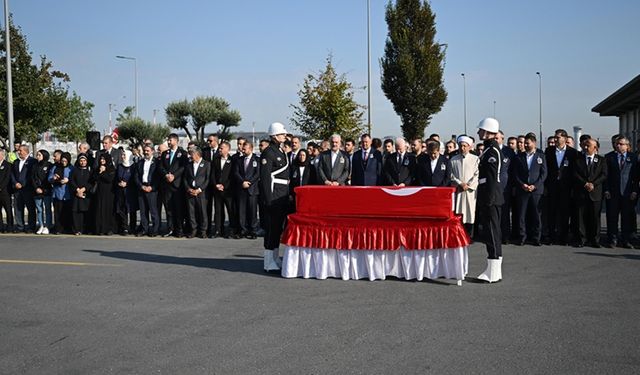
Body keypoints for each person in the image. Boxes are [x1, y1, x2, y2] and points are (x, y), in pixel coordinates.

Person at [475, 117, 504, 283]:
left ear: (488, 132)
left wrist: (489, 199)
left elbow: (493, 178)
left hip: (491, 197)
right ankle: (494, 269)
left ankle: (493, 271)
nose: (478, 132)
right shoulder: (488, 150)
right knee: (492, 232)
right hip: (489, 195)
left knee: (492, 232)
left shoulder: (492, 152)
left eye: (481, 130)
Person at [259, 122, 291, 271]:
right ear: (274, 136)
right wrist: (268, 199)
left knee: (278, 228)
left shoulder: (280, 151)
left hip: (282, 193)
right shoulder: (269, 152)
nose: (284, 136)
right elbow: (265, 178)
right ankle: (268, 261)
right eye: (282, 134)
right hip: (273, 194)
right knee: (271, 229)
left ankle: (275, 257)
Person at [544, 129, 578, 245]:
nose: (555, 139)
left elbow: (574, 171)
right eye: (555, 137)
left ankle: (563, 237)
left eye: (558, 137)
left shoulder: (572, 153)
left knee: (564, 213)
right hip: (552, 186)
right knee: (552, 212)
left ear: (564, 138)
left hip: (566, 187)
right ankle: (552, 236)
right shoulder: (549, 151)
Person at [513, 132, 547, 246]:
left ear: (534, 143)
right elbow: (515, 174)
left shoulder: (541, 156)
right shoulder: (519, 157)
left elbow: (544, 173)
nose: (526, 145)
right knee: (521, 215)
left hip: (536, 191)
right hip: (522, 190)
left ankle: (536, 237)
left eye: (528, 143)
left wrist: (535, 185)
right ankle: (522, 237)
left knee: (537, 215)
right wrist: (522, 184)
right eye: (525, 143)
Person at [604, 135, 638, 248]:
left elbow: (635, 177)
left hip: (627, 193)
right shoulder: (609, 157)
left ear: (627, 146)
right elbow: (606, 176)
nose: (618, 145)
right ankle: (612, 239)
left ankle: (626, 240)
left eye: (621, 144)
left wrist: (634, 191)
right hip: (613, 193)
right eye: (617, 144)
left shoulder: (633, 158)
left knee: (626, 218)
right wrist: (607, 189)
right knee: (612, 217)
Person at [573, 138, 607, 248]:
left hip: (595, 193)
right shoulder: (578, 159)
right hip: (582, 192)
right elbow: (575, 174)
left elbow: (604, 174)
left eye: (589, 146)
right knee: (581, 217)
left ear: (595, 148)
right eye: (585, 146)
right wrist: (585, 183)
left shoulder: (601, 160)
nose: (586, 148)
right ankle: (582, 239)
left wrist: (593, 184)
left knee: (595, 217)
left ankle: (595, 240)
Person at [449, 136, 480, 237]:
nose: (462, 148)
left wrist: (469, 185)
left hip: (470, 191)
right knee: (459, 212)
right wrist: (460, 183)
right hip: (459, 190)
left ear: (469, 147)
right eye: (460, 146)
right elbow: (451, 175)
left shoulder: (476, 159)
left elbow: (477, 174)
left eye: (464, 146)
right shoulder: (453, 160)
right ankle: (459, 235)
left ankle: (470, 235)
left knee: (470, 212)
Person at [159, 134, 187, 237]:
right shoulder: (165, 154)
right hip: (167, 185)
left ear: (176, 140)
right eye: (168, 140)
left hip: (177, 185)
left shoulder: (183, 154)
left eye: (170, 140)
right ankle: (170, 229)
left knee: (179, 209)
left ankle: (179, 230)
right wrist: (166, 175)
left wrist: (174, 176)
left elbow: (183, 167)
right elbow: (161, 167)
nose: (169, 142)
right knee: (169, 208)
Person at [234, 141, 260, 239]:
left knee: (252, 211)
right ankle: (242, 230)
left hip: (252, 189)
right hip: (241, 188)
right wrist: (242, 182)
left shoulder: (256, 159)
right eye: (242, 149)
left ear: (251, 149)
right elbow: (236, 172)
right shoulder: (239, 160)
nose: (243, 150)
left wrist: (249, 182)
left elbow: (257, 174)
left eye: (245, 149)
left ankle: (253, 230)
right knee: (241, 211)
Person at [184, 147, 211, 239]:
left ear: (197, 154)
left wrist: (199, 189)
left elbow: (207, 179)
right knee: (191, 213)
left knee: (203, 212)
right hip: (190, 192)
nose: (190, 156)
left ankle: (203, 231)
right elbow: (185, 178)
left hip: (201, 193)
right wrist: (188, 189)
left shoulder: (207, 164)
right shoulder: (189, 165)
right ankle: (193, 230)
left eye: (192, 154)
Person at [135, 145, 161, 237]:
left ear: (152, 151)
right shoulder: (140, 162)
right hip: (142, 188)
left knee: (153, 211)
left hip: (152, 190)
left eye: (148, 151)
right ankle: (144, 229)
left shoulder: (157, 162)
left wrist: (152, 187)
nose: (146, 152)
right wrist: (141, 186)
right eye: (145, 151)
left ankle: (155, 229)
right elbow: (136, 176)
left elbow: (158, 177)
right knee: (143, 211)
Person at [212, 141, 236, 238]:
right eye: (220, 148)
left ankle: (232, 230)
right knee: (218, 211)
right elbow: (212, 174)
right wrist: (216, 184)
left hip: (228, 191)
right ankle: (218, 230)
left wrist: (224, 186)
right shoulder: (216, 159)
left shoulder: (233, 160)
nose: (220, 150)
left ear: (227, 149)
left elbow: (233, 176)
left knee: (231, 211)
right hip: (217, 190)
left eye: (222, 148)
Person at [11, 144, 37, 233]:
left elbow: (32, 175)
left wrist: (23, 184)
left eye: (20, 150)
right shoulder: (15, 162)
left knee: (30, 208)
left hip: (28, 189)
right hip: (17, 189)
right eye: (18, 151)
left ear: (26, 151)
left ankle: (31, 226)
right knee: (18, 208)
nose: (19, 152)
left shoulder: (32, 161)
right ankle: (20, 226)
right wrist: (15, 183)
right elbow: (12, 174)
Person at [92, 153, 116, 235]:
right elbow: (94, 177)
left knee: (107, 210)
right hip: (99, 192)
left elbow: (110, 179)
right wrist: (100, 171)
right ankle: (100, 229)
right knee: (99, 210)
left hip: (109, 193)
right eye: (101, 159)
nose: (102, 161)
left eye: (103, 159)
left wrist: (103, 172)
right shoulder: (98, 168)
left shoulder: (111, 168)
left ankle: (108, 229)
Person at [49, 152, 73, 234]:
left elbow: (75, 178)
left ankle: (67, 228)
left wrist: (68, 180)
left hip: (67, 194)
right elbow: (49, 178)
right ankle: (58, 228)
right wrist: (54, 178)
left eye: (65, 161)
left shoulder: (71, 168)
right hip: (57, 193)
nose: (63, 163)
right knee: (57, 213)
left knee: (67, 212)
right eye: (62, 161)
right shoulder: (55, 167)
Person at [115, 150, 138, 235]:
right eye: (122, 155)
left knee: (132, 210)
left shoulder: (133, 166)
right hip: (121, 191)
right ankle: (124, 227)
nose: (123, 156)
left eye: (124, 155)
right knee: (123, 209)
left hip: (130, 191)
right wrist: (119, 183)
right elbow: (116, 177)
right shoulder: (120, 166)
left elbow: (135, 178)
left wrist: (127, 184)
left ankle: (133, 227)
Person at [69, 154, 92, 235]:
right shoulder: (75, 171)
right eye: (81, 161)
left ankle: (85, 229)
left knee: (85, 212)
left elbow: (91, 182)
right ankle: (77, 229)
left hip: (86, 195)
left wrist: (84, 189)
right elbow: (71, 181)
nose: (82, 162)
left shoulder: (89, 171)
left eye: (84, 161)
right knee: (76, 212)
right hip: (76, 194)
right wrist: (77, 189)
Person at [32, 149, 53, 235]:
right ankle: (41, 225)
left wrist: (44, 189)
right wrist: (36, 188)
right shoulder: (35, 166)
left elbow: (49, 178)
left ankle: (47, 226)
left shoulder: (49, 165)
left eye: (39, 155)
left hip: (46, 190)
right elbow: (32, 178)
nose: (37, 157)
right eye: (37, 155)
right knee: (39, 209)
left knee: (47, 209)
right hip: (37, 191)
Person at [0, 149, 14, 232]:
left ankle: (10, 226)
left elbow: (7, 178)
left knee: (8, 210)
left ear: (2, 155)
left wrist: (1, 187)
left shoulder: (8, 165)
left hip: (5, 191)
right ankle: (1, 226)